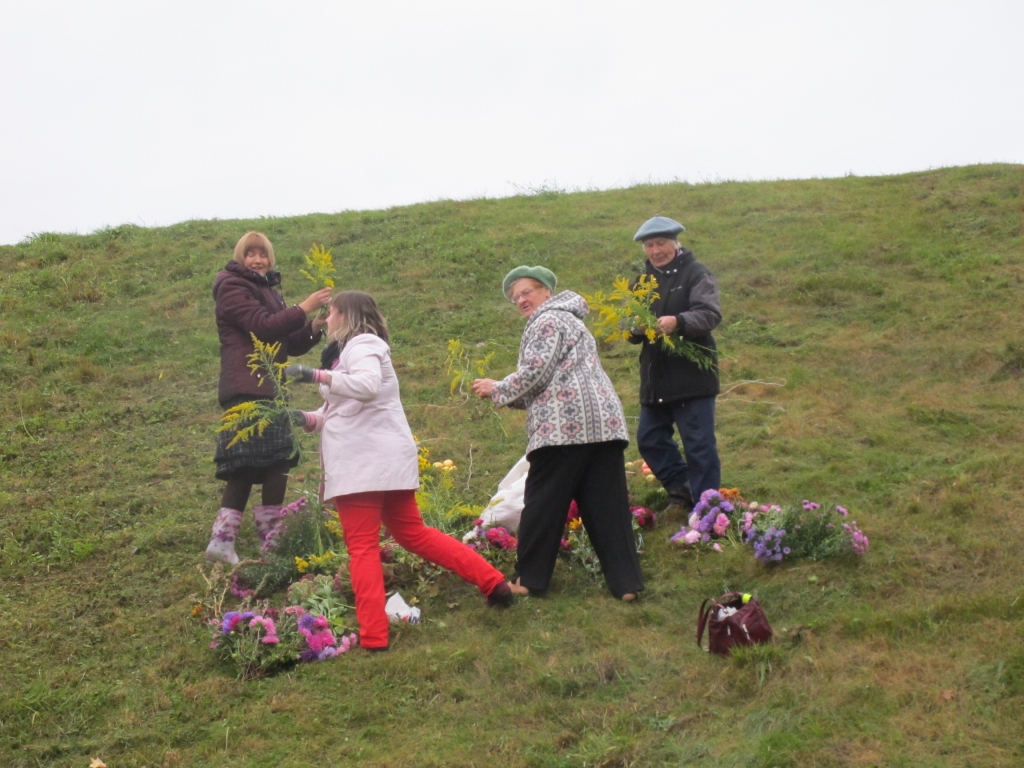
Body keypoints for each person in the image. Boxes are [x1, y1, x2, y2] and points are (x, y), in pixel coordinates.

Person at [287, 291, 514, 651]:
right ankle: (494, 583)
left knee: (362, 547)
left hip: (363, 464)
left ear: (347, 315)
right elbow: (341, 410)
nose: (326, 318)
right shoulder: (357, 351)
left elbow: (366, 387)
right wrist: (304, 418)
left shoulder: (362, 343)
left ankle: (375, 636)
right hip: (384, 462)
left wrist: (316, 374)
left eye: (330, 311)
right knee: (415, 535)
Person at [472, 266, 644, 602]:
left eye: (527, 291)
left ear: (547, 292)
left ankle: (528, 579)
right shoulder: (573, 320)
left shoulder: (546, 319)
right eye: (515, 296)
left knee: (542, 504)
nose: (521, 299)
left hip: (564, 427)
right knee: (607, 507)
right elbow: (551, 379)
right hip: (604, 425)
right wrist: (509, 395)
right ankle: (627, 585)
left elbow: (536, 372)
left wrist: (498, 388)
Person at [205, 231, 333, 564]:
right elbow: (261, 327)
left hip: (269, 388)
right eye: (251, 254)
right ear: (240, 257)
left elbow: (287, 341)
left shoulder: (267, 290)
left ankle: (243, 539)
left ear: (271, 258)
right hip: (248, 387)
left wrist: (315, 325)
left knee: (276, 460)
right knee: (250, 465)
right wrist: (304, 306)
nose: (258, 259)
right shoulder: (231, 286)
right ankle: (252, 540)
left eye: (263, 254)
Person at [628, 216, 722, 513]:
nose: (656, 250)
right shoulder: (640, 283)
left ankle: (708, 511)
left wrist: (678, 322)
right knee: (649, 438)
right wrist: (635, 328)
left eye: (661, 243)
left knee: (699, 446)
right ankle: (684, 491)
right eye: (650, 245)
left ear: (675, 243)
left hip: (692, 377)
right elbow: (628, 326)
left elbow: (709, 314)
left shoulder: (696, 274)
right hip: (656, 378)